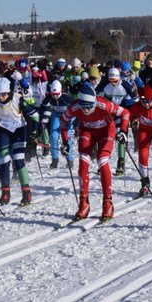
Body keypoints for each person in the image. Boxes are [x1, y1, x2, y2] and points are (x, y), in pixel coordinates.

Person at [60, 83, 130, 222]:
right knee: (83, 163)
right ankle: (84, 203)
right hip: (87, 131)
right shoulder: (74, 107)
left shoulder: (103, 104)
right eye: (83, 107)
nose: (86, 110)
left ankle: (107, 203)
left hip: (106, 130)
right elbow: (63, 121)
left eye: (89, 107)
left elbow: (125, 113)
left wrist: (122, 131)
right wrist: (65, 142)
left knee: (102, 161)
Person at [0, 77, 39, 206]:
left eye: (4, 94)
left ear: (9, 92)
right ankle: (5, 193)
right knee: (3, 161)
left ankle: (26, 193)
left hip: (19, 129)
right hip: (3, 130)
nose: (2, 97)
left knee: (18, 160)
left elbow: (35, 115)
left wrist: (34, 133)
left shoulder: (18, 99)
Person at [96, 66, 139, 176]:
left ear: (119, 78)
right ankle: (103, 162)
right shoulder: (105, 83)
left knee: (120, 134)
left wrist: (135, 116)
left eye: (115, 81)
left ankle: (121, 161)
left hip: (122, 110)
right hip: (109, 110)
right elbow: (95, 95)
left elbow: (136, 100)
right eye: (111, 81)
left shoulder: (125, 84)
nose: (113, 83)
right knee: (106, 135)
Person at [40, 80, 75, 169]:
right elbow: (42, 107)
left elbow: (76, 107)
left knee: (66, 137)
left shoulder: (66, 97)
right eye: (53, 94)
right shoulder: (49, 97)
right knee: (53, 137)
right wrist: (43, 117)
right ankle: (55, 159)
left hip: (67, 115)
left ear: (61, 91)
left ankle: (69, 159)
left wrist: (75, 120)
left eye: (57, 94)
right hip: (56, 115)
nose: (55, 96)